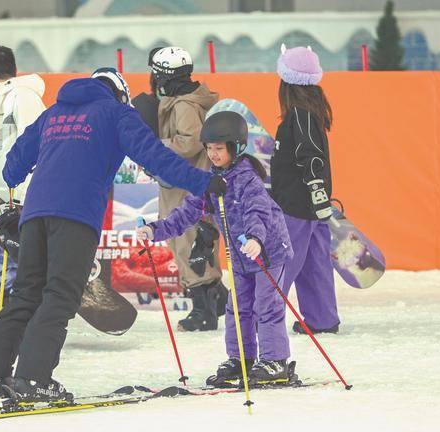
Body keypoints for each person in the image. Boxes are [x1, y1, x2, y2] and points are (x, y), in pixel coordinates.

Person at [0, 68, 226, 403]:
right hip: (75, 217)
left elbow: (12, 166)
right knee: (60, 295)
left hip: (33, 216)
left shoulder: (53, 114)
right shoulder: (118, 113)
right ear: (120, 93)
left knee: (26, 295)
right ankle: (33, 379)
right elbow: (157, 158)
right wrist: (204, 183)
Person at [137, 111, 295, 383]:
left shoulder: (248, 179)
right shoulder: (212, 181)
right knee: (237, 307)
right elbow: (187, 212)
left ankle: (274, 361)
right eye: (209, 148)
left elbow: (257, 212)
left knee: (266, 305)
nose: (213, 154)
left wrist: (255, 239)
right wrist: (155, 229)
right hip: (240, 257)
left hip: (267, 251)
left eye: (219, 149)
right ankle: (241, 358)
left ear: (236, 147)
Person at [149, 46, 228, 332]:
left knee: (187, 241)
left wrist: (156, 148)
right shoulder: (188, 99)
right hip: (189, 179)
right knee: (196, 239)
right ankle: (218, 299)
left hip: (184, 181)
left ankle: (202, 310)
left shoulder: (183, 103)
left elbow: (190, 141)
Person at [271, 45, 340, 334]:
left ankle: (265, 316)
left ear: (287, 81)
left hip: (296, 206)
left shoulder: (299, 115)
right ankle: (322, 318)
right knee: (315, 264)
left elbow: (310, 155)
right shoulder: (310, 113)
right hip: (314, 207)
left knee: (283, 262)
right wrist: (320, 197)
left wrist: (315, 189)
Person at [0, 46, 46, 299]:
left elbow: (33, 141)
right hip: (4, 191)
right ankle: (19, 298)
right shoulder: (7, 95)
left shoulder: (21, 95)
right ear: (14, 69)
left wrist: (20, 193)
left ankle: (20, 298)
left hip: (17, 193)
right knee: (2, 252)